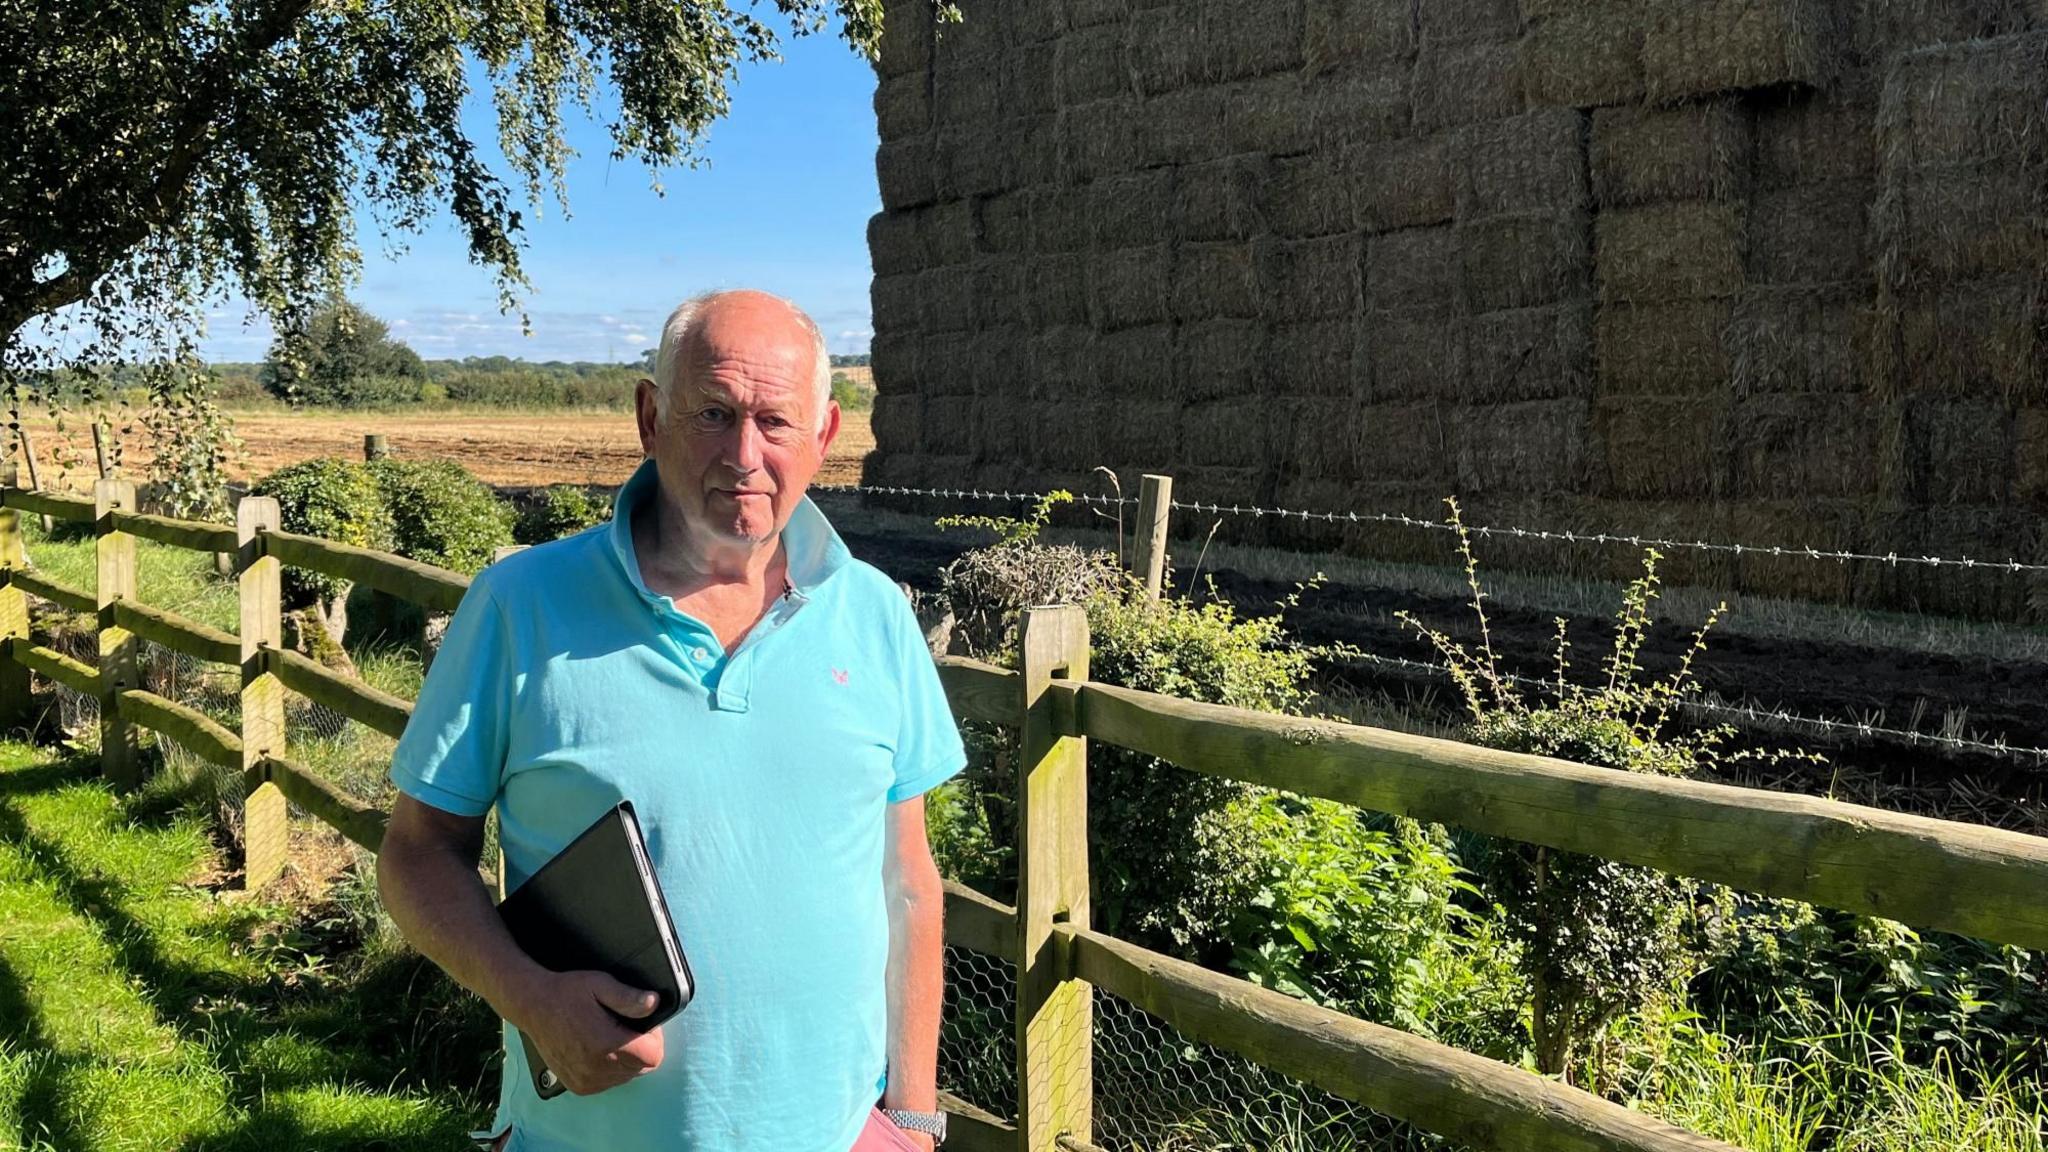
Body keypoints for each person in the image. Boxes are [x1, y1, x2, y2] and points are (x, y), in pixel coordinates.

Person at [376, 289, 964, 1152]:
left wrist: (911, 1123)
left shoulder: (873, 615)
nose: (744, 453)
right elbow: (416, 855)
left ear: (826, 436)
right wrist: (530, 998)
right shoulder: (521, 607)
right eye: (714, 413)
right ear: (651, 417)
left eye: (775, 421)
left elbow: (907, 882)